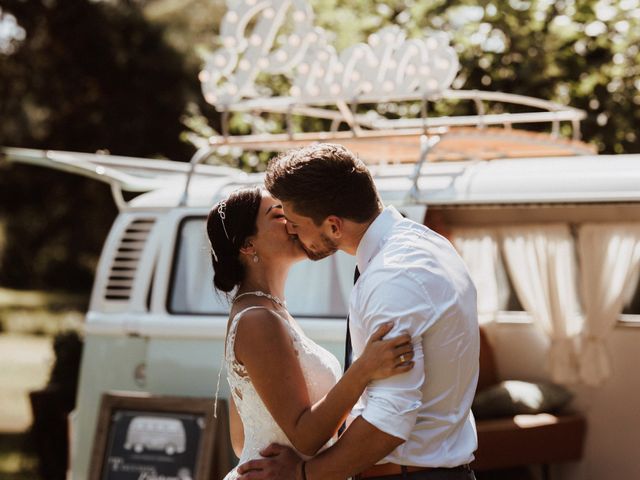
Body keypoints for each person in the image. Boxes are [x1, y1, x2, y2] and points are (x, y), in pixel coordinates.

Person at [236, 144, 479, 480]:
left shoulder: (392, 276)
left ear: (334, 226)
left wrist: (303, 474)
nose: (290, 230)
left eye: (294, 222)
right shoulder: (423, 244)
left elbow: (390, 420)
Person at [206, 186, 416, 480]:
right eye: (279, 215)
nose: (293, 222)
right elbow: (305, 437)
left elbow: (241, 438)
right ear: (248, 245)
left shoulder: (265, 312)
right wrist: (365, 368)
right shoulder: (258, 319)